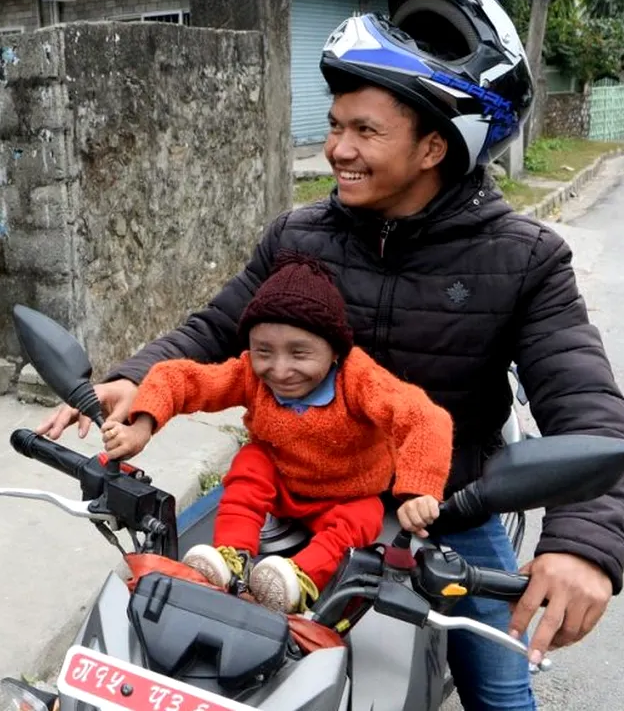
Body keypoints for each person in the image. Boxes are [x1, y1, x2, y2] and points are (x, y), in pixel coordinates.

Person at [39, 0, 624, 710]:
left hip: (444, 507)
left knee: (503, 694)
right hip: (295, 479)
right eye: (334, 125)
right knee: (161, 640)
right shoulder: (299, 235)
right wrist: (133, 380)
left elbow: (585, 409)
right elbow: (218, 326)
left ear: (433, 148)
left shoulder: (526, 258)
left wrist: (583, 545)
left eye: (364, 130)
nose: (337, 149)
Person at [100, 251, 454, 614]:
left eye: (299, 353)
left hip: (347, 494)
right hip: (282, 483)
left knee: (365, 516)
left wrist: (419, 490)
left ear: (334, 351)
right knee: (252, 463)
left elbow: (424, 417)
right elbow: (183, 379)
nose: (280, 370)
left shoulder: (359, 379)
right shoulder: (250, 375)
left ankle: (299, 577)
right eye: (263, 351)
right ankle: (231, 555)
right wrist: (143, 424)